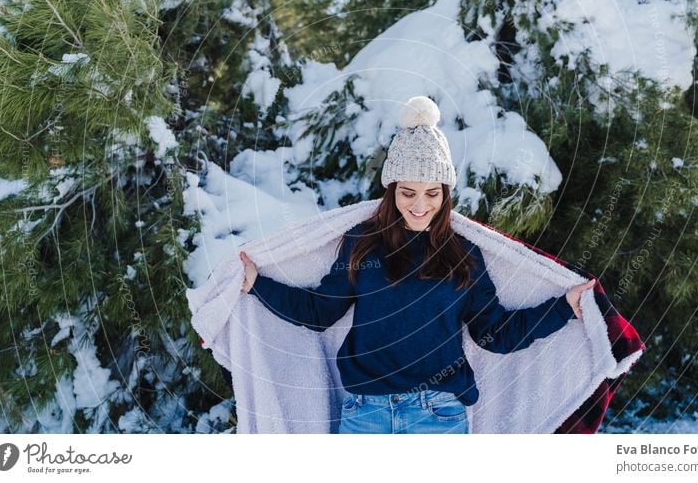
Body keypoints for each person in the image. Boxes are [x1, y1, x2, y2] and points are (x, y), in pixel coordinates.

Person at [238, 96, 595, 434]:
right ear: (391, 190)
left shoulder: (464, 254)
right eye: (408, 192)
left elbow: (495, 334)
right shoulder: (362, 244)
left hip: (438, 417)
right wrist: (257, 283)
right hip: (366, 416)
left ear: (445, 193)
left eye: (432, 193)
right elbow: (319, 312)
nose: (420, 204)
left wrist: (564, 307)